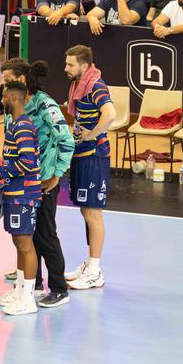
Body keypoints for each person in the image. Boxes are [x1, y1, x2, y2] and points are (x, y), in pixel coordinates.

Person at [0, 60, 74, 309]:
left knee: (45, 234)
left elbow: (66, 140)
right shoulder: (13, 106)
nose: (3, 85)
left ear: (21, 80)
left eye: (6, 80)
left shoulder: (45, 104)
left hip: (44, 180)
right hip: (22, 183)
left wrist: (57, 174)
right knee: (27, 235)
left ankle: (59, 288)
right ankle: (31, 285)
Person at [0, 80, 41, 316]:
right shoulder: (16, 125)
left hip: (24, 195)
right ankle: (19, 291)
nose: (1, 101)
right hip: (15, 193)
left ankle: (28, 298)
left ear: (14, 98)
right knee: (19, 243)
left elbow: (26, 162)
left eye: (4, 97)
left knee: (26, 245)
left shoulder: (23, 127)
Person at [64, 45, 115, 290]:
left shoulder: (95, 86)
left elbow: (110, 114)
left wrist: (91, 134)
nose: (66, 69)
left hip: (95, 155)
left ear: (84, 66)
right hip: (82, 153)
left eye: (70, 64)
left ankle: (95, 270)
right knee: (86, 211)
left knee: (93, 214)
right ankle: (89, 263)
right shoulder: (79, 84)